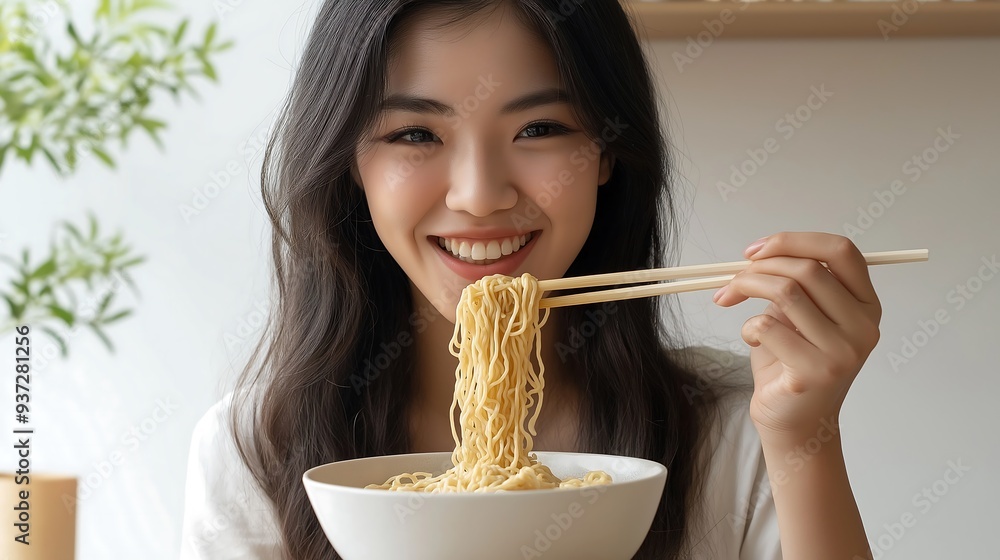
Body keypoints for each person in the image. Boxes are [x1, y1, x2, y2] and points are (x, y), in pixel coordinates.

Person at [180, 1, 879, 558]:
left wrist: (803, 434)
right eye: (415, 135)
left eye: (540, 128)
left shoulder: (733, 431)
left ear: (608, 153)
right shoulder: (256, 448)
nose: (479, 195)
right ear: (349, 166)